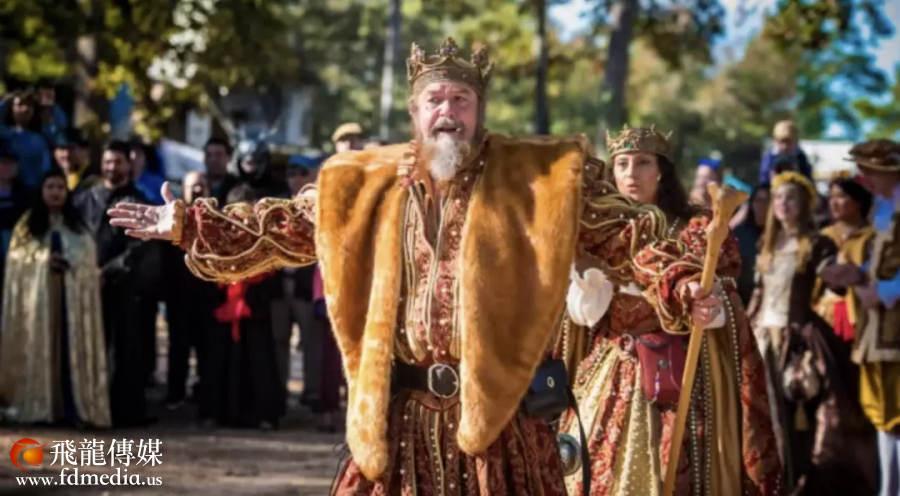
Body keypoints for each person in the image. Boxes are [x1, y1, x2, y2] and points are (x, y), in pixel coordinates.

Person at [108, 38, 727, 493]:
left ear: (480, 109)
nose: (448, 112)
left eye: (462, 99)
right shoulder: (364, 183)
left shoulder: (540, 180)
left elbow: (629, 234)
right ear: (415, 111)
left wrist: (680, 286)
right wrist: (188, 223)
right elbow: (287, 226)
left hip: (502, 423)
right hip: (399, 419)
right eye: (435, 99)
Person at [557, 126, 781, 495]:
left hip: (682, 371)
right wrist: (588, 280)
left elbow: (726, 293)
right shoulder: (599, 230)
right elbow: (585, 315)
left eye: (643, 162)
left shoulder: (697, 228)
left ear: (661, 170)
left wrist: (706, 306)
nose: (631, 173)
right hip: (616, 366)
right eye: (622, 164)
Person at [748, 172, 877, 495]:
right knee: (763, 416)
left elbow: (834, 275)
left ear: (804, 204)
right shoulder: (768, 243)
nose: (783, 204)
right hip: (763, 338)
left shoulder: (816, 243)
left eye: (791, 198)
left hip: (797, 341)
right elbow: (759, 296)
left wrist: (865, 275)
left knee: (800, 416)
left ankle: (799, 482)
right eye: (779, 197)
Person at [820, 139, 900, 496]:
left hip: (894, 326)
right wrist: (857, 274)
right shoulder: (884, 210)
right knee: (883, 413)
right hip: (879, 328)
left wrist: (883, 291)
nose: (866, 178)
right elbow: (883, 264)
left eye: (872, 171)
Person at [0, 168, 109, 428]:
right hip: (40, 303)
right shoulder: (27, 225)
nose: (56, 192)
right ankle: (41, 405)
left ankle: (73, 407)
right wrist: (43, 261)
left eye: (60, 187)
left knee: (68, 351)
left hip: (71, 303)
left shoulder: (77, 225)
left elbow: (87, 257)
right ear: (41, 191)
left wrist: (71, 264)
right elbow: (17, 259)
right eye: (50, 187)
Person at [74, 140, 156, 427]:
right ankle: (87, 409)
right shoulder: (85, 199)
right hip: (85, 288)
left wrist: (106, 272)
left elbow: (139, 248)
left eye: (118, 162)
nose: (112, 167)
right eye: (108, 161)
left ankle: (124, 414)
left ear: (128, 165)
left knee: (125, 352)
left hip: (125, 289)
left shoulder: (138, 202)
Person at [162, 171, 222, 412]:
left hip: (209, 299)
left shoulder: (218, 220)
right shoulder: (174, 221)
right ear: (184, 191)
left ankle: (207, 402)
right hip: (179, 299)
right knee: (178, 350)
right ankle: (175, 396)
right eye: (193, 186)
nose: (197, 190)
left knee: (209, 353)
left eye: (202, 185)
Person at [815, 178, 874, 343]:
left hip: (861, 312)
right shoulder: (824, 236)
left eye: (841, 196)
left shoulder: (872, 237)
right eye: (831, 197)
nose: (833, 203)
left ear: (858, 201)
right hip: (824, 312)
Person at [0, 90, 51, 188]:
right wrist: (5, 101)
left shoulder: (39, 140)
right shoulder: (4, 133)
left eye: (29, 105)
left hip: (30, 189)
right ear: (11, 108)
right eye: (20, 105)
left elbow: (45, 170)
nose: (25, 109)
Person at [734, 184, 771, 305]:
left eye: (767, 200)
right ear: (752, 203)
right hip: (741, 299)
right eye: (758, 200)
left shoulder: (780, 237)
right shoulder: (739, 233)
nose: (762, 205)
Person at [203, 137, 239, 206]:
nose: (213, 159)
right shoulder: (196, 186)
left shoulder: (237, 187)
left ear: (228, 157)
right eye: (209, 155)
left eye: (218, 155)